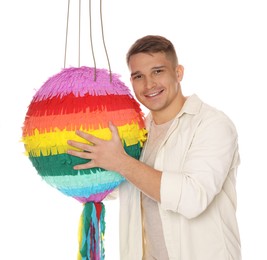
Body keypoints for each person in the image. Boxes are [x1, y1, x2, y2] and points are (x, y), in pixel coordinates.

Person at [67, 35, 241, 260]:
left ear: (178, 73)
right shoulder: (135, 134)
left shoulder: (212, 124)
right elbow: (116, 187)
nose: (149, 85)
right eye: (138, 76)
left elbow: (192, 198)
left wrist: (120, 161)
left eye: (158, 71)